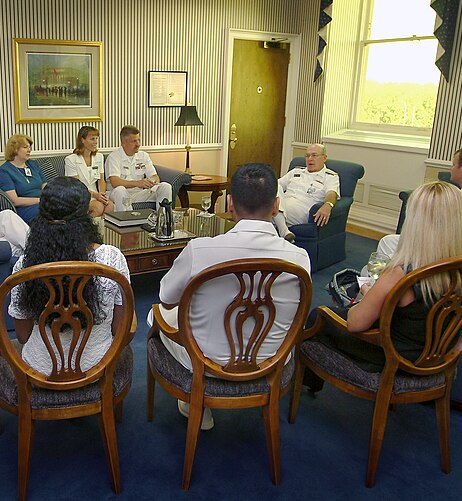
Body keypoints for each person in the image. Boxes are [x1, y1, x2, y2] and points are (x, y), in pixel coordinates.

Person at [148, 163, 311, 430]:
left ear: (231, 203)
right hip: (271, 360)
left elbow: (166, 298)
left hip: (205, 362)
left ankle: (196, 404)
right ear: (276, 205)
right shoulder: (299, 258)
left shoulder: (199, 250)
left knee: (154, 314)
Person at [308, 181, 462, 380]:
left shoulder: (403, 273)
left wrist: (369, 294)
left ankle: (310, 382)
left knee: (318, 316)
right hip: (440, 356)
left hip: (395, 358)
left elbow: (355, 324)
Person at [9, 177, 131, 375]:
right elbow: (119, 328)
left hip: (40, 370)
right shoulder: (111, 259)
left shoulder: (25, 266)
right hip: (98, 366)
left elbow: (22, 336)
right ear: (87, 215)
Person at [371, 146, 462, 263]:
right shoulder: (460, 192)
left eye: (454, 164)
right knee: (387, 241)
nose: (451, 168)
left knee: (383, 256)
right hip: (435, 240)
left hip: (442, 246)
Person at [273, 143, 339, 239]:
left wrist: (328, 204)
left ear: (324, 158)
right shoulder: (296, 171)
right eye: (307, 156)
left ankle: (280, 229)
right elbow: (275, 186)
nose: (310, 159)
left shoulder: (330, 177)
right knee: (275, 185)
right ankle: (284, 231)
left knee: (260, 215)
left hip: (300, 210)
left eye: (314, 155)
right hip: (282, 204)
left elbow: (332, 193)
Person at [105, 125, 172, 211]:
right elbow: (115, 182)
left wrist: (152, 182)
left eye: (139, 140)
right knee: (120, 190)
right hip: (119, 194)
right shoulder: (114, 157)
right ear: (123, 143)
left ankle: (163, 220)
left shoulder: (143, 156)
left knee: (165, 186)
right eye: (134, 141)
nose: (138, 144)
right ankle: (127, 222)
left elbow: (155, 176)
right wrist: (138, 183)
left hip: (139, 193)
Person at [0, 134, 47, 223]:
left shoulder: (33, 164)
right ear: (15, 149)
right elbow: (15, 201)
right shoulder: (4, 171)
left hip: (44, 203)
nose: (29, 150)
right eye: (25, 147)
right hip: (25, 208)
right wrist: (42, 200)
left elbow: (45, 186)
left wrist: (52, 198)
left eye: (30, 147)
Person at [65, 125, 114, 217]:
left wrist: (102, 195)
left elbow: (101, 180)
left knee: (110, 206)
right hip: (79, 196)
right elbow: (76, 186)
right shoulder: (71, 160)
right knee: (98, 207)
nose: (96, 142)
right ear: (82, 140)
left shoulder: (99, 157)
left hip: (96, 195)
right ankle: (85, 228)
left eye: (96, 138)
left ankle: (101, 230)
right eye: (92, 139)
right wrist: (95, 195)